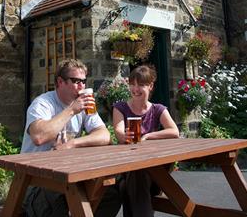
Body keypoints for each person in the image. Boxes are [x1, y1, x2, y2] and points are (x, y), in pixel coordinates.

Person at [21, 59, 121, 217]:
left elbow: (104, 135)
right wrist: (71, 110)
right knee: (62, 199)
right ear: (60, 82)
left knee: (110, 194)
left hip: (68, 177)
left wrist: (72, 143)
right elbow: (39, 136)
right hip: (35, 183)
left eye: (83, 81)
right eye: (76, 81)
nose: (82, 86)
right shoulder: (43, 104)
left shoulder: (84, 106)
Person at [113, 65, 179, 217]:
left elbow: (174, 131)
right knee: (135, 174)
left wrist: (148, 136)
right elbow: (118, 132)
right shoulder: (120, 107)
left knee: (130, 184)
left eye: (141, 85)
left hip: (153, 170)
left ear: (150, 86)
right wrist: (126, 136)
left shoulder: (157, 109)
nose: (135, 89)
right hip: (128, 167)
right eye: (132, 84)